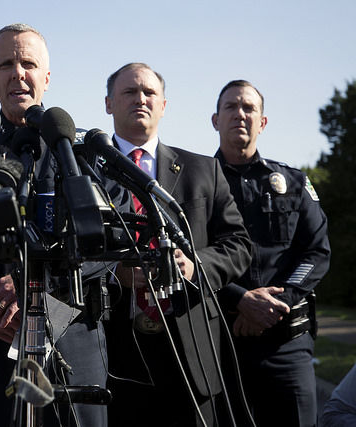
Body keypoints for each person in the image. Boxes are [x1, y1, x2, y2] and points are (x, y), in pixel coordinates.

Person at [0, 24, 124, 427]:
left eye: (28, 63)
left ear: (46, 78)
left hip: (72, 343)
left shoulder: (81, 151)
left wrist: (35, 291)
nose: (18, 73)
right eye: (6, 64)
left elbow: (113, 239)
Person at [102, 63, 252, 426]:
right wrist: (113, 273)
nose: (140, 99)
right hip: (113, 353)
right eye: (129, 92)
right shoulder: (83, 171)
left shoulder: (203, 170)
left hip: (190, 351)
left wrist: (193, 265)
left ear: (164, 104)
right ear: (108, 104)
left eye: (149, 92)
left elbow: (239, 245)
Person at [212, 80, 331, 427]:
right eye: (231, 107)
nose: (240, 114)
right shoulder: (197, 184)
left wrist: (275, 306)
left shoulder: (292, 182)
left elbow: (316, 251)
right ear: (215, 120)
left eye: (249, 108)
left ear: (262, 122)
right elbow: (193, 257)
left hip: (286, 344)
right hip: (223, 344)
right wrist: (240, 299)